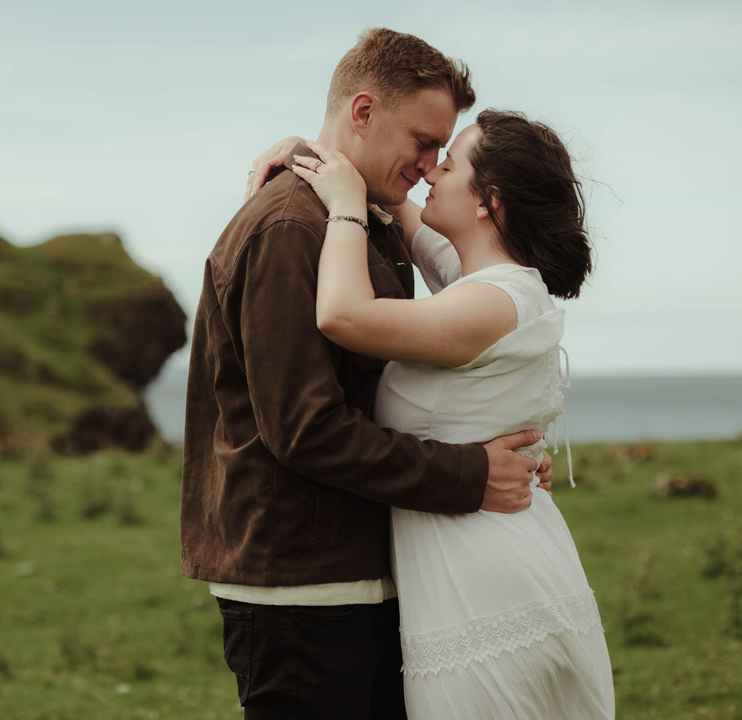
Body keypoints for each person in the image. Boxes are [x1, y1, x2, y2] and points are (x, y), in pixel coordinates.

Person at [181, 29, 554, 719]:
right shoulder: (293, 227)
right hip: (303, 582)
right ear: (361, 112)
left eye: (442, 149)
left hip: (356, 568)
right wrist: (470, 475)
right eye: (421, 141)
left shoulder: (364, 217)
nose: (429, 164)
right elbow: (306, 429)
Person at [251, 109, 616, 717]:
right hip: (472, 573)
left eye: (448, 165)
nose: (429, 174)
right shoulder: (487, 283)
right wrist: (312, 151)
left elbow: (342, 313)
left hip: (487, 589)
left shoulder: (492, 301)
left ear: (487, 202)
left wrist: (343, 207)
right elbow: (399, 206)